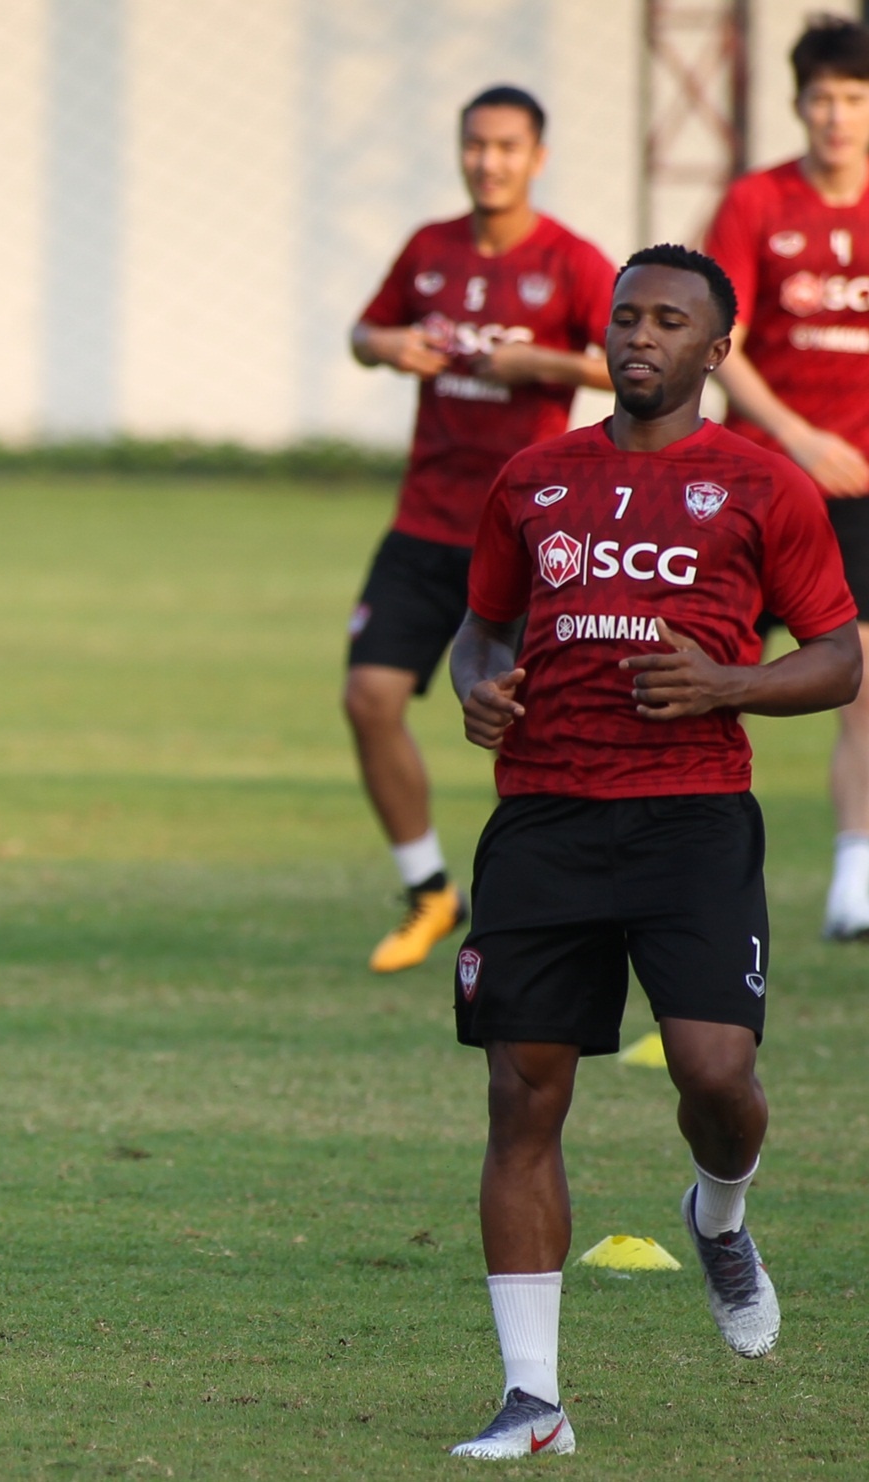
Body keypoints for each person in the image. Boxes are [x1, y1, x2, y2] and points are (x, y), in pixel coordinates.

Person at [446, 244, 859, 1459]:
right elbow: (480, 629)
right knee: (522, 1096)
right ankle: (533, 1401)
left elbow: (837, 658)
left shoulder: (760, 485)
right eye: (626, 317)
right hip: (542, 819)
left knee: (714, 1077)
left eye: (669, 321)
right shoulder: (532, 477)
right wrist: (478, 688)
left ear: (715, 350)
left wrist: (728, 683)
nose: (639, 336)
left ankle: (717, 1216)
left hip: (690, 818)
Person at [348, 85, 615, 974]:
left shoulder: (571, 260)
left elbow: (633, 363)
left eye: (506, 146)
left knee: (543, 731)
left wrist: (539, 362)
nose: (488, 161)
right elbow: (364, 331)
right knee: (369, 698)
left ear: (538, 157)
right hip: (425, 524)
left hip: (531, 534)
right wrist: (386, 346)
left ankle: (553, 911)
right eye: (475, 145)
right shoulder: (430, 248)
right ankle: (429, 890)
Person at [704, 16, 869, 938]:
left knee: (862, 678)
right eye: (822, 99)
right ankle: (672, 853)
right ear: (798, 104)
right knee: (705, 674)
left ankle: (856, 876)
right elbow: (719, 341)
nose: (837, 117)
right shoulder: (757, 202)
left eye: (853, 99)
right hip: (756, 484)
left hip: (859, 497)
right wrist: (797, 437)